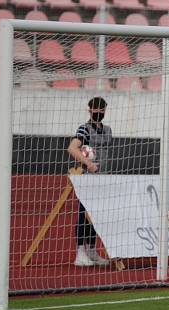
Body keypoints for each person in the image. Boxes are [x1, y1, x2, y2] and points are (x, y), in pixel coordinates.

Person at [67, 97, 111, 267]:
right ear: (90, 110)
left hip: (104, 178)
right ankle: (79, 252)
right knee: (83, 215)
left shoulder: (108, 130)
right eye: (96, 110)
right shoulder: (84, 129)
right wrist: (89, 164)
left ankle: (92, 250)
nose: (99, 113)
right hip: (87, 178)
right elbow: (72, 148)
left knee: (97, 216)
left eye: (102, 110)